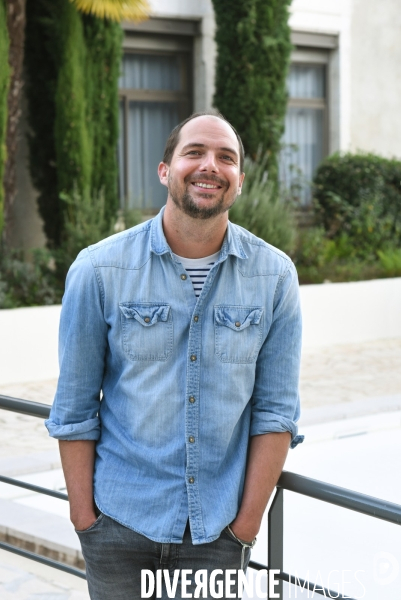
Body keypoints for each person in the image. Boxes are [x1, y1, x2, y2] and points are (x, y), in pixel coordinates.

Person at [45, 112, 303, 600]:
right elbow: (75, 407)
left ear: (240, 182)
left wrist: (244, 530)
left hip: (218, 538)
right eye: (194, 152)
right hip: (119, 528)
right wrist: (86, 522)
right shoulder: (99, 270)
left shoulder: (275, 278)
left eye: (226, 158)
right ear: (165, 170)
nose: (210, 165)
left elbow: (276, 412)